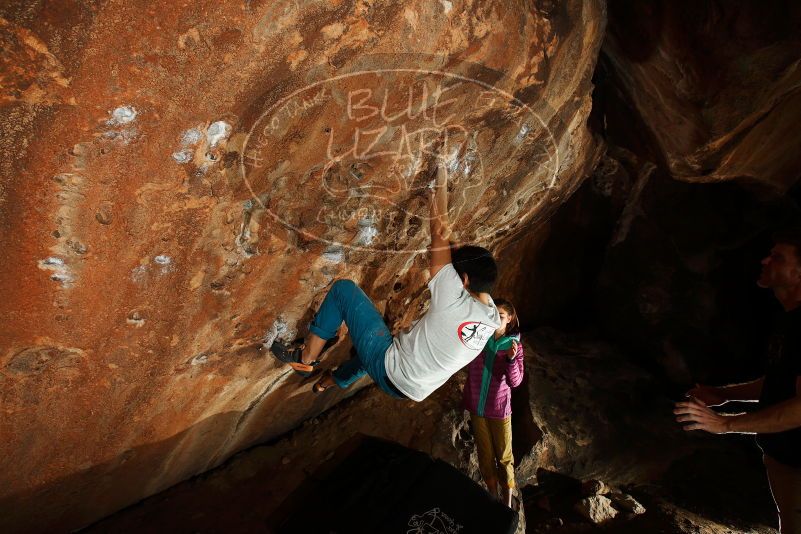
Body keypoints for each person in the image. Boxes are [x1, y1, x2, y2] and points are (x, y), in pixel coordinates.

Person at [270, 161, 501, 402]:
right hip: (412, 388)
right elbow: (451, 246)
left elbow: (439, 234)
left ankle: (305, 358)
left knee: (343, 291)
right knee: (374, 345)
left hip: (392, 368)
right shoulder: (490, 315)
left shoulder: (454, 299)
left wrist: (439, 182)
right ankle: (335, 380)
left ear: (463, 280)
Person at [674, 227, 801, 534]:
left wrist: (725, 423)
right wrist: (724, 394)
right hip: (787, 458)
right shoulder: (789, 317)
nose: (765, 260)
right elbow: (780, 379)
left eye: (777, 257)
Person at [462, 298, 524, 508]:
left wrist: (511, 360)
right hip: (477, 406)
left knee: (505, 457)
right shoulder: (479, 338)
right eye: (494, 313)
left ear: (510, 319)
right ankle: (493, 498)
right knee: (485, 454)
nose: (497, 318)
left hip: (499, 410)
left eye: (502, 315)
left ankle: (506, 505)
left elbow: (516, 381)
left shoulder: (514, 345)